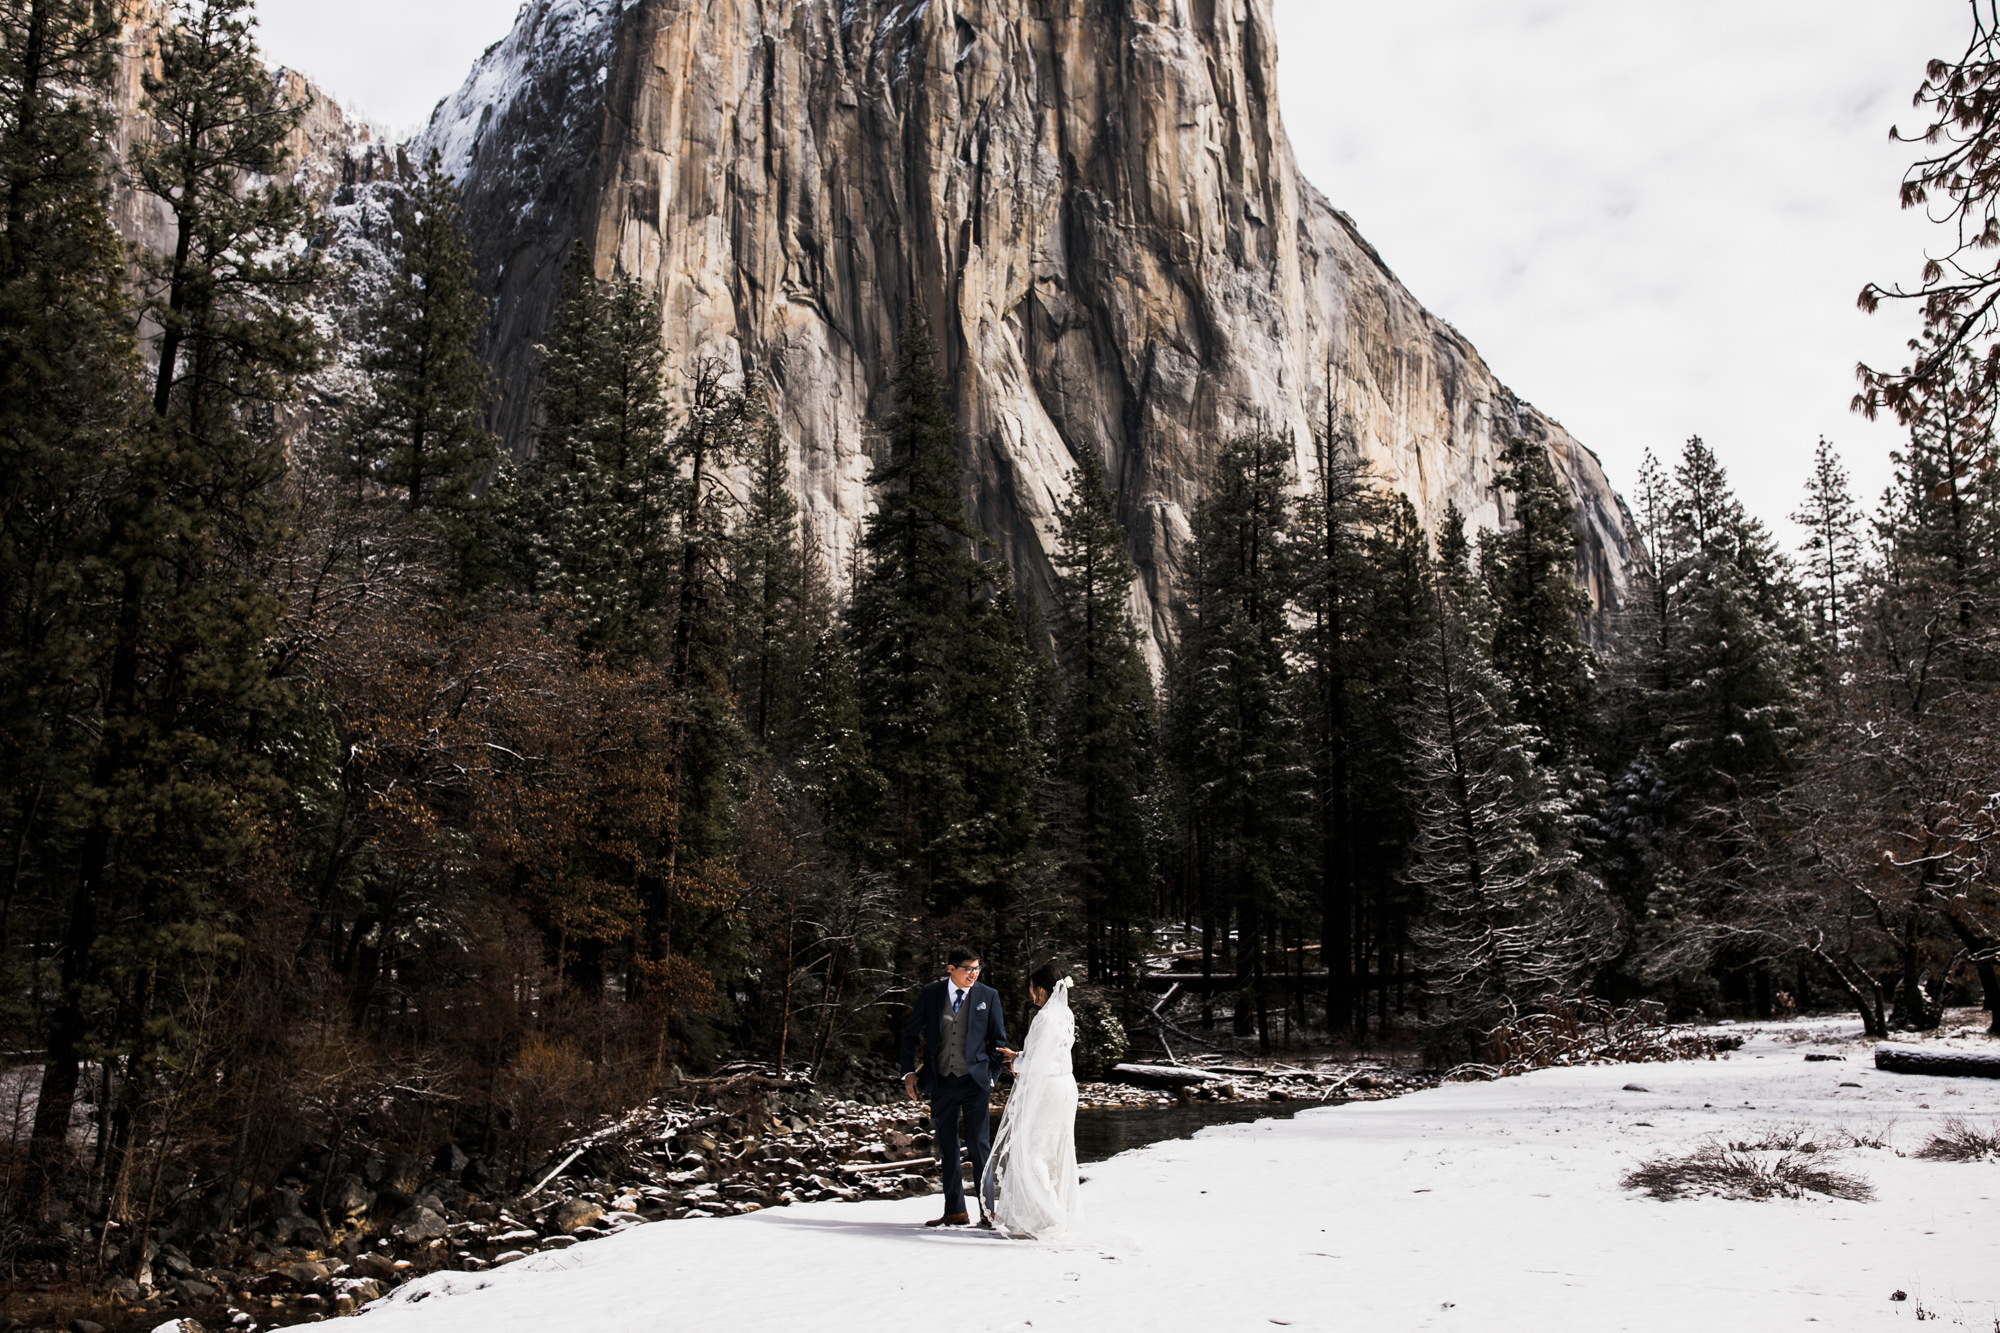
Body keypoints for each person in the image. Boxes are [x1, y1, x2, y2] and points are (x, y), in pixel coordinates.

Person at [900, 946, 1012, 1228]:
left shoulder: (989, 995)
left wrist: (991, 1076)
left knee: (979, 1146)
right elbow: (911, 1035)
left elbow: (998, 1041)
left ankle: (987, 1213)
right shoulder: (931, 993)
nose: (973, 974)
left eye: (977, 969)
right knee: (947, 1146)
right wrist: (908, 1073)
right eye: (967, 969)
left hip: (975, 1081)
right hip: (941, 1081)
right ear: (950, 968)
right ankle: (955, 1211)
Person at [980, 962, 1081, 1240]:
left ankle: (1047, 1215)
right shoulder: (1064, 1014)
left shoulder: (1044, 1018)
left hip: (1047, 1089)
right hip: (1064, 1087)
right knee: (1053, 1151)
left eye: (1031, 990)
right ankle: (1050, 1211)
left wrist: (1019, 1061)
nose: (1031, 996)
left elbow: (1038, 1061)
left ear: (1040, 989)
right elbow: (1051, 1053)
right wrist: (1020, 1056)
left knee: (1032, 1151)